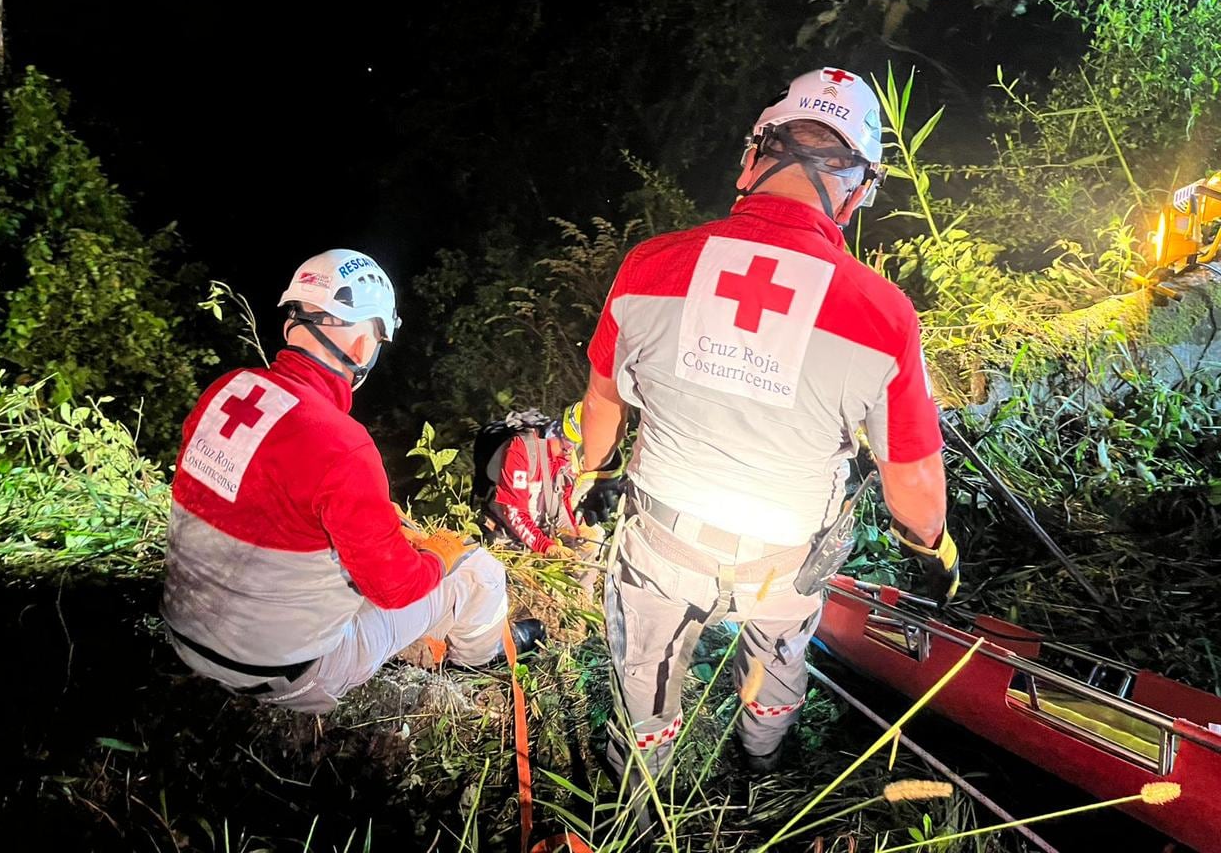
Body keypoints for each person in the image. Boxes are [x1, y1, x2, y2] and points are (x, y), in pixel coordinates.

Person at [579, 67, 960, 780]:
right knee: (777, 668)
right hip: (786, 559)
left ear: (754, 158)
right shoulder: (881, 314)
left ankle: (639, 794)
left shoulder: (648, 267)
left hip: (663, 545)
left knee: (644, 683)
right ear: (856, 190)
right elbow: (910, 476)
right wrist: (932, 549)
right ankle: (761, 769)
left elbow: (603, 401)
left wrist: (595, 473)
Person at [161, 249, 541, 713]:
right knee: (479, 572)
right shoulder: (343, 444)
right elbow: (394, 588)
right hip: (284, 677)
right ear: (363, 347)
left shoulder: (226, 391)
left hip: (185, 639)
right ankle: (477, 666)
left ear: (289, 325)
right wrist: (440, 556)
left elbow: (270, 505)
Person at [483, 403, 587, 558]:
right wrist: (546, 547)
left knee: (587, 547)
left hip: (537, 536)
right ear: (558, 432)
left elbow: (561, 504)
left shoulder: (566, 461)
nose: (572, 451)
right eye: (570, 443)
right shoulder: (522, 449)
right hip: (504, 539)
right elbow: (513, 512)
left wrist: (573, 537)